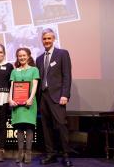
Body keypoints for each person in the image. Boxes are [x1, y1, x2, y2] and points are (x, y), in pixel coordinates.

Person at [36, 28, 73, 167]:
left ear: (54, 39)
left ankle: (66, 155)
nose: (46, 41)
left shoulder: (62, 54)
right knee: (46, 127)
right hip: (43, 97)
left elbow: (67, 76)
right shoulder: (39, 59)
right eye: (44, 39)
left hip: (58, 96)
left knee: (62, 126)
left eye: (49, 38)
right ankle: (50, 154)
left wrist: (65, 94)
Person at [9, 48, 39, 164]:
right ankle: (20, 153)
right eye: (20, 56)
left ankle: (28, 153)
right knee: (19, 128)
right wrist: (10, 99)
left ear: (29, 56)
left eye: (24, 55)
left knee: (29, 128)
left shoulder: (34, 70)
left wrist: (31, 99)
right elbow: (12, 86)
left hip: (30, 103)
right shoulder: (14, 71)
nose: (22, 57)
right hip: (17, 103)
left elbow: (35, 85)